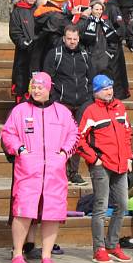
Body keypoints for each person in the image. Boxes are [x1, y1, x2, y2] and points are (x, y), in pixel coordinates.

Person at [1, 72, 79, 263]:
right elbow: (8, 134)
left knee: (52, 213)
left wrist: (64, 153)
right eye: (33, 87)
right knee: (23, 211)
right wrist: (20, 150)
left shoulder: (62, 112)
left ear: (48, 88)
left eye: (40, 87)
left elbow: (74, 134)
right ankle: (18, 253)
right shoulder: (19, 111)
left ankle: (46, 254)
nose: (36, 91)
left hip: (55, 171)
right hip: (28, 170)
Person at [77, 75, 133, 263]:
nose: (109, 91)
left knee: (122, 205)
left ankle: (112, 244)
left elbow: (127, 133)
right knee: (100, 207)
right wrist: (94, 159)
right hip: (102, 165)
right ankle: (99, 248)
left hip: (120, 164)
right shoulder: (90, 111)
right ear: (95, 92)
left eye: (110, 87)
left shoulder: (120, 107)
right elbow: (79, 139)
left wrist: (128, 157)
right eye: (104, 89)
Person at [43, 24, 92, 186]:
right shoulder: (55, 54)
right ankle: (59, 171)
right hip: (62, 102)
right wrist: (53, 99)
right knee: (60, 138)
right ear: (64, 39)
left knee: (77, 138)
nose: (72, 42)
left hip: (82, 102)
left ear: (79, 39)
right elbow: (47, 77)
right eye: (69, 39)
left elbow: (90, 76)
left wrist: (89, 97)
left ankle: (74, 172)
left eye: (75, 39)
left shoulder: (84, 54)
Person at [77, 0, 129, 100]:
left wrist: (109, 54)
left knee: (104, 86)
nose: (99, 11)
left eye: (101, 9)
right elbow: (76, 33)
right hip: (89, 60)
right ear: (91, 9)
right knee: (91, 86)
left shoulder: (106, 23)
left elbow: (114, 40)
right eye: (96, 9)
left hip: (104, 61)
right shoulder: (85, 22)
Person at [9, 0, 38, 102]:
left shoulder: (39, 10)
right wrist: (24, 43)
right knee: (21, 82)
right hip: (23, 54)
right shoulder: (17, 11)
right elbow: (14, 32)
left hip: (37, 54)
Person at [33, 0, 71, 68]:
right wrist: (83, 17)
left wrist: (70, 14)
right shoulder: (56, 17)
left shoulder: (43, 11)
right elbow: (71, 28)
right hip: (52, 56)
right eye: (66, 1)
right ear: (61, 2)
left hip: (39, 54)